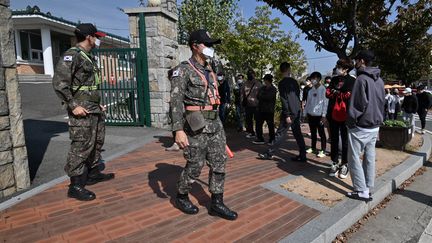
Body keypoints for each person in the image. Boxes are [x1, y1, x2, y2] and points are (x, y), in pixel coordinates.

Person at [169, 29, 237, 220]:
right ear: (195, 46)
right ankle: (181, 195)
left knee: (219, 163)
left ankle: (217, 202)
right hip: (195, 125)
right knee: (195, 164)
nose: (210, 48)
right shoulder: (183, 70)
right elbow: (175, 101)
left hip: (215, 124)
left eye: (211, 44)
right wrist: (178, 130)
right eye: (207, 44)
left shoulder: (211, 68)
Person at [52, 23, 115, 201]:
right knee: (80, 145)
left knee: (96, 142)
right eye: (97, 37)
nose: (98, 40)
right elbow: (60, 83)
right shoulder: (72, 56)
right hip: (81, 109)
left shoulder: (88, 56)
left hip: (93, 108)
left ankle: (93, 173)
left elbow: (89, 85)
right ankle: (76, 185)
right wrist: (73, 106)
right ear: (89, 37)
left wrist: (97, 105)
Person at [346, 50, 385, 201]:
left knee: (354, 157)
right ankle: (368, 186)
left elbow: (357, 104)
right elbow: (382, 103)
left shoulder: (361, 79)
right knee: (369, 156)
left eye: (356, 60)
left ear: (361, 61)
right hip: (375, 124)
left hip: (361, 125)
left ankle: (361, 190)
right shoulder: (379, 80)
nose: (355, 63)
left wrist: (350, 122)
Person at [258, 62, 307, 162]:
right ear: (289, 69)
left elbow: (284, 99)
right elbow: (297, 97)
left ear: (281, 71)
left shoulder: (282, 83)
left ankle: (269, 152)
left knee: (280, 133)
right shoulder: (294, 82)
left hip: (288, 112)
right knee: (298, 134)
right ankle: (303, 155)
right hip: (297, 110)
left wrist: (287, 114)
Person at [326, 58, 355, 179]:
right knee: (333, 139)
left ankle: (345, 164)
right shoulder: (334, 79)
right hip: (332, 113)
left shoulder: (351, 80)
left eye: (339, 67)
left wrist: (336, 92)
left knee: (345, 140)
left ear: (346, 69)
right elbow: (327, 93)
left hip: (345, 114)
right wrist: (340, 93)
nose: (337, 69)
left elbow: (349, 95)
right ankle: (334, 162)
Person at [304, 72, 328, 158]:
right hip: (311, 115)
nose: (312, 80)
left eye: (314, 78)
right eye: (311, 79)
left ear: (318, 79)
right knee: (313, 132)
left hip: (319, 116)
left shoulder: (323, 90)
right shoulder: (310, 91)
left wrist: (324, 115)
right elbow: (308, 103)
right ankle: (313, 147)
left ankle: (323, 150)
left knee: (321, 133)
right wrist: (305, 113)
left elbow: (325, 103)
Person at [253, 74, 277, 145]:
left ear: (268, 80)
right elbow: (257, 96)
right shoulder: (262, 88)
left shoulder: (273, 89)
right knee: (258, 124)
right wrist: (262, 96)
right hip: (261, 109)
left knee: (270, 125)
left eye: (265, 80)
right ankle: (260, 138)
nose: (264, 81)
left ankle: (272, 139)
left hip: (269, 110)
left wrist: (262, 96)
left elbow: (269, 97)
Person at [241, 69, 262, 139]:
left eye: (251, 73)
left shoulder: (258, 84)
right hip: (248, 105)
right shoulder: (245, 84)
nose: (250, 75)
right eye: (248, 74)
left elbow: (262, 94)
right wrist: (242, 103)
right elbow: (242, 94)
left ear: (254, 74)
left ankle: (258, 134)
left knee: (258, 120)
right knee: (248, 120)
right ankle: (251, 132)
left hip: (257, 105)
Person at [166, 68, 180, 151]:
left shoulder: (176, 83)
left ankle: (176, 144)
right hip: (177, 107)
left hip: (176, 108)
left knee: (176, 124)